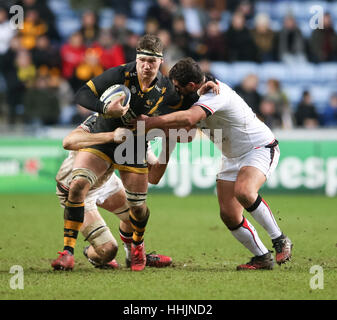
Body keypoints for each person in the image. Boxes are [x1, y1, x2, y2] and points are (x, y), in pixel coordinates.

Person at [51, 35, 213, 271]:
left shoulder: (163, 92)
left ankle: (137, 251)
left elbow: (188, 102)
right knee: (102, 238)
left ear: (160, 64)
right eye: (142, 60)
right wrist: (104, 109)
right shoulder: (115, 84)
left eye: (152, 62)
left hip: (119, 161)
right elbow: (79, 107)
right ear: (136, 60)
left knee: (136, 212)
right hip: (90, 166)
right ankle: (68, 252)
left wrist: (207, 86)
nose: (146, 66)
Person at [140, 57, 293, 270]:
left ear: (191, 86)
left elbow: (189, 119)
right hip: (231, 156)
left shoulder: (216, 93)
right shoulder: (193, 95)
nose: (175, 91)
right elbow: (189, 134)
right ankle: (261, 257)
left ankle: (280, 239)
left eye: (177, 86)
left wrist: (150, 123)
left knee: (244, 191)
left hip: (259, 147)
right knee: (229, 214)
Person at [51, 113, 173, 270]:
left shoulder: (138, 133)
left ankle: (134, 256)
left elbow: (154, 177)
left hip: (106, 182)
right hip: (75, 188)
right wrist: (111, 136)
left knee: (136, 214)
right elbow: (68, 142)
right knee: (108, 251)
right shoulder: (101, 118)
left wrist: (168, 145)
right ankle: (90, 253)